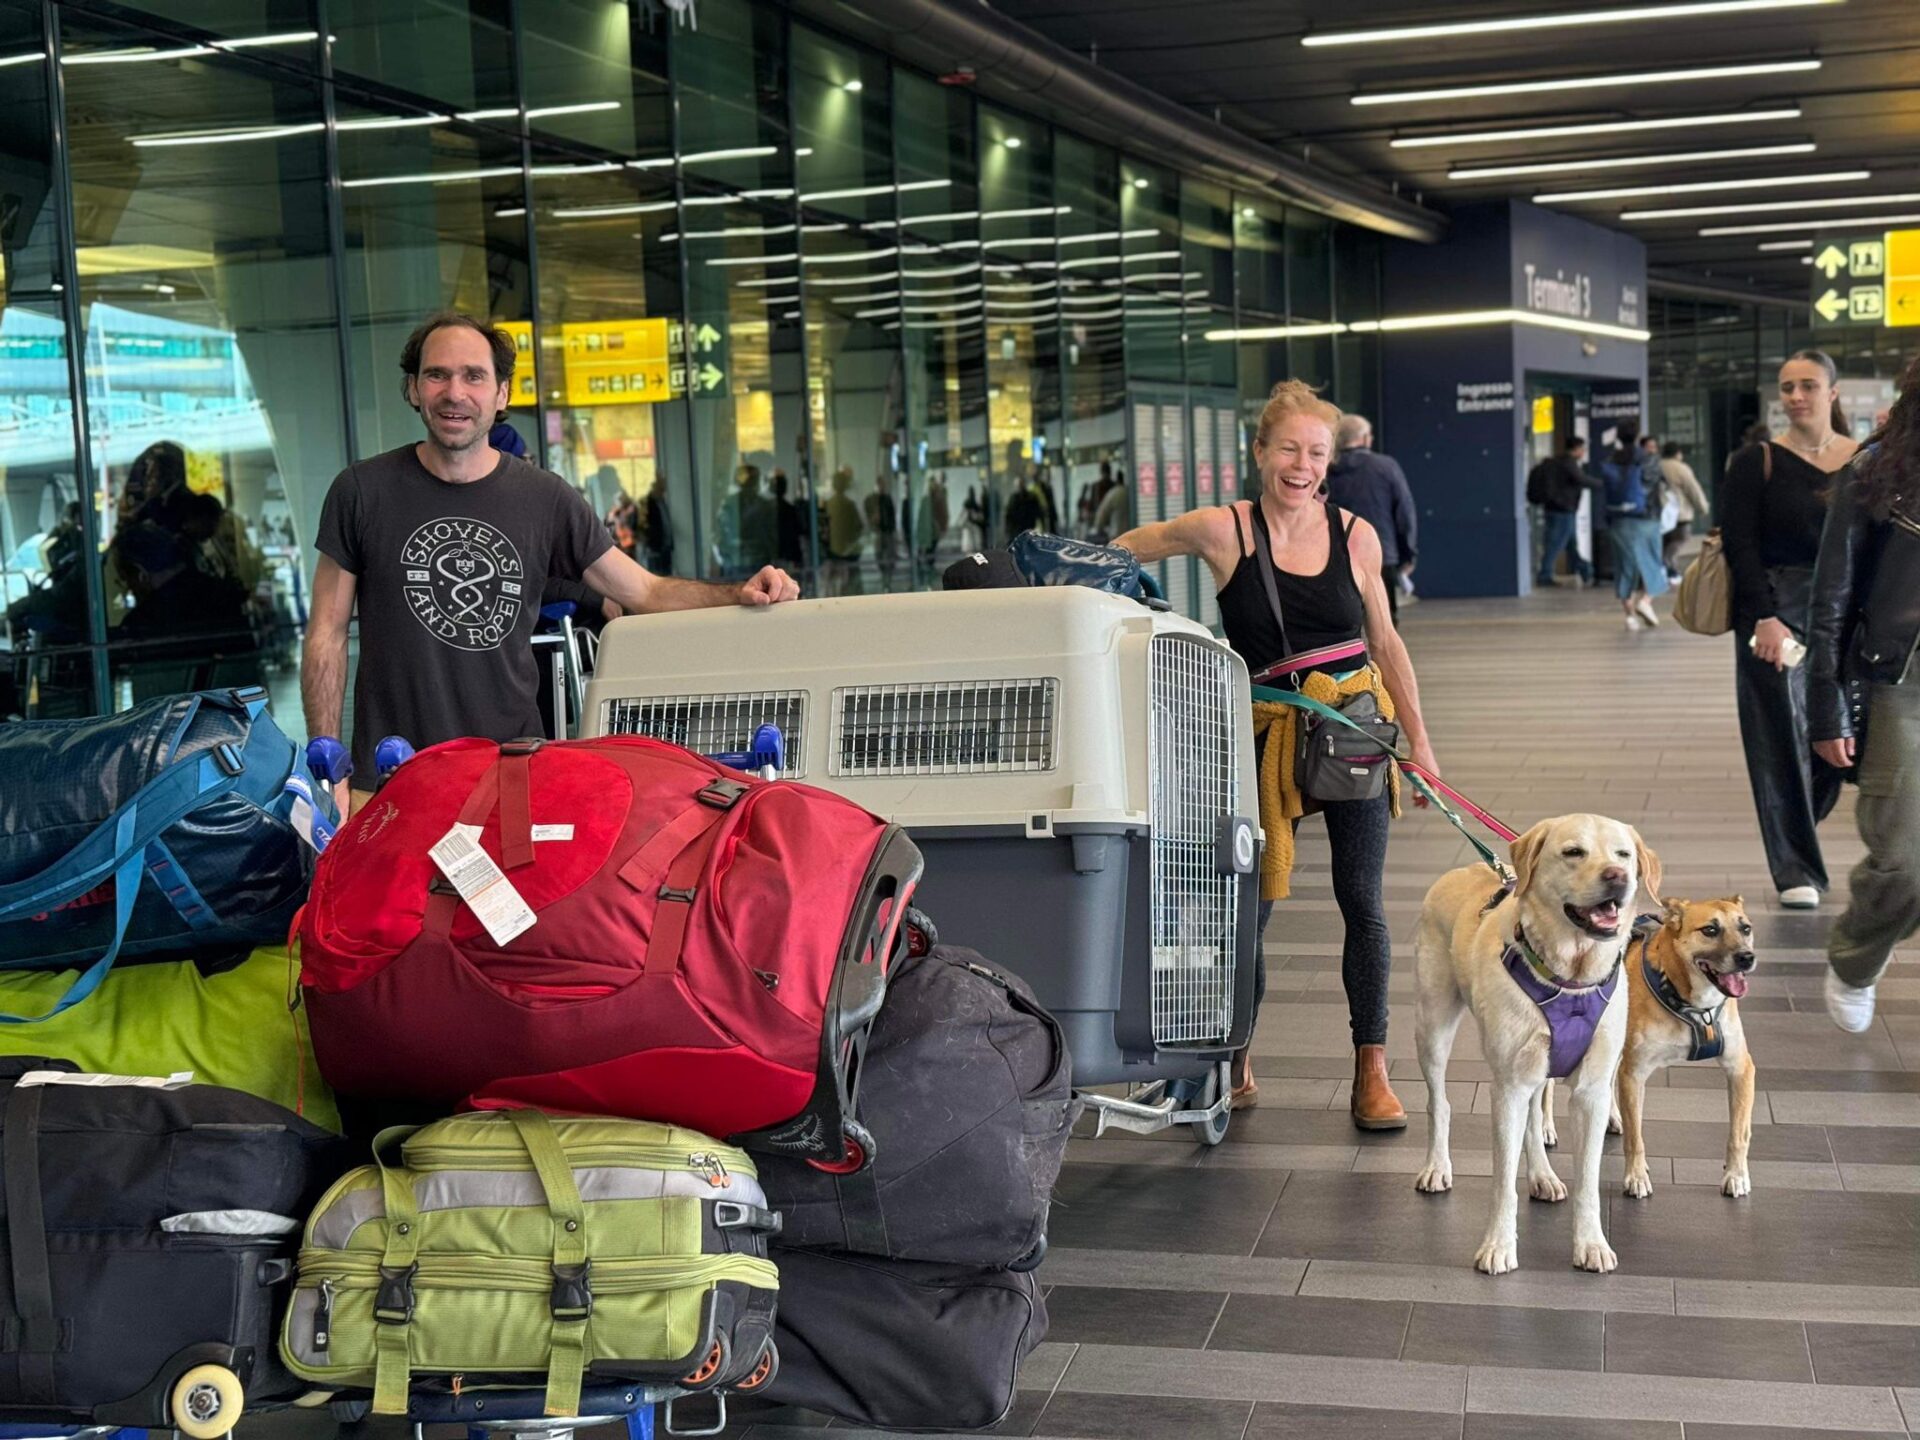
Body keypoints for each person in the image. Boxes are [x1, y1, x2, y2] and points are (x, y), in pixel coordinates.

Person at [302, 312, 798, 817]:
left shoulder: (545, 499)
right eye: (437, 374)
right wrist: (328, 770)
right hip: (387, 780)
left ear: (502, 394)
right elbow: (327, 632)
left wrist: (737, 593)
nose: (455, 392)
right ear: (413, 388)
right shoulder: (361, 492)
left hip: (510, 777)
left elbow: (644, 592)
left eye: (474, 375)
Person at [1112, 380, 1440, 1129]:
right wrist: (1099, 588)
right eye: (1288, 448)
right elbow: (1131, 545)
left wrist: (1420, 743)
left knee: (1363, 900)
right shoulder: (1223, 529)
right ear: (1259, 452)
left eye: (1316, 452)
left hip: (1355, 721)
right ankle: (1236, 1054)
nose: (1302, 465)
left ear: (1332, 460)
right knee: (1247, 909)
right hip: (1263, 732)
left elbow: (1386, 641)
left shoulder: (1356, 534)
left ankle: (1372, 1070)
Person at [1721, 349, 1857, 910]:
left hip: (1847, 615)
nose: (1795, 396)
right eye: (1786, 387)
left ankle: (1801, 822)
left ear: (1833, 392)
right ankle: (1795, 867)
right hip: (1776, 611)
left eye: (1807, 385)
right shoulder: (1758, 461)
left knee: (1842, 736)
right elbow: (1740, 544)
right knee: (1780, 737)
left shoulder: (1863, 459)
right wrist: (1763, 618)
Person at [1808, 354, 1920, 1031]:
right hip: (1902, 679)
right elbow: (1832, 596)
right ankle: (1857, 955)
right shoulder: (1882, 470)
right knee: (1905, 859)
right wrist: (1827, 703)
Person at [1327, 414, 1417, 622]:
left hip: (1335, 558)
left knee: (1344, 622)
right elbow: (1404, 513)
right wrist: (1407, 555)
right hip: (1381, 555)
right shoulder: (1386, 467)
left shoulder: (1325, 471)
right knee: (1384, 621)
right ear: (1365, 438)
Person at [1596, 422, 1668, 631]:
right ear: (1637, 436)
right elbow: (1656, 485)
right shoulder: (1649, 459)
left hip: (1618, 519)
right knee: (1652, 561)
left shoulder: (1610, 460)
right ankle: (1645, 601)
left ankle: (1629, 616)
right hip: (1647, 518)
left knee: (1624, 565)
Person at [1528, 436, 1599, 587]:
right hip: (1563, 510)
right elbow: (1581, 480)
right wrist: (1605, 484)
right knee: (1555, 543)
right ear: (1577, 449)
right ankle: (1545, 575)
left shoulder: (1556, 462)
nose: (1584, 452)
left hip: (1557, 508)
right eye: (1583, 449)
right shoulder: (1568, 463)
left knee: (1570, 544)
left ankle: (1586, 571)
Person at [1658, 440, 1711, 581]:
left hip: (1661, 512)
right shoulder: (1681, 468)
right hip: (1680, 512)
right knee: (1681, 538)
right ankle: (1668, 565)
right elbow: (1693, 490)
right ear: (1677, 453)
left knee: (1665, 541)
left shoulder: (1658, 466)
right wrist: (1703, 507)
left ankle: (1667, 569)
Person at [865, 473, 899, 591]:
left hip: (887, 532)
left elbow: (892, 516)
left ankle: (887, 581)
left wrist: (893, 531)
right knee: (879, 556)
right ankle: (885, 579)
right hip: (879, 533)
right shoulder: (872, 500)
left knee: (889, 556)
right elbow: (870, 514)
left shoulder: (887, 499)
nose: (882, 486)